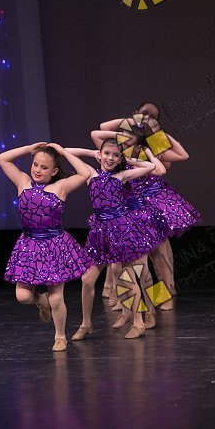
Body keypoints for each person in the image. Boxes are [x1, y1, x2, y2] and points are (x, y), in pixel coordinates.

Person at [97, 102, 200, 311]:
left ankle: (164, 296)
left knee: (159, 253)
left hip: (154, 203)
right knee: (130, 255)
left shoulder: (155, 145)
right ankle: (127, 299)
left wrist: (158, 132)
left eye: (151, 116)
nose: (146, 118)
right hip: (130, 204)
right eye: (143, 114)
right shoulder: (121, 145)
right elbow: (99, 130)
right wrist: (131, 123)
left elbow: (182, 156)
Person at [65, 138, 167, 341]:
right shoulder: (91, 174)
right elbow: (66, 150)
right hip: (101, 231)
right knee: (89, 279)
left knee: (137, 273)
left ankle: (142, 318)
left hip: (125, 228)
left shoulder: (121, 175)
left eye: (115, 155)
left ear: (121, 158)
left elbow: (153, 167)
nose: (110, 158)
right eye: (107, 154)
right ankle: (88, 323)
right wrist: (93, 153)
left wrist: (130, 159)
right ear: (100, 154)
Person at [0, 142, 93, 351]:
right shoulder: (23, 182)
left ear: (54, 171)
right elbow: (2, 158)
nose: (38, 170)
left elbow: (85, 173)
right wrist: (28, 148)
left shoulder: (60, 187)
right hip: (29, 246)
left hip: (54, 246)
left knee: (56, 297)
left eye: (44, 167)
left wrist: (63, 152)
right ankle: (41, 300)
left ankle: (60, 336)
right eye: (35, 165)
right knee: (22, 296)